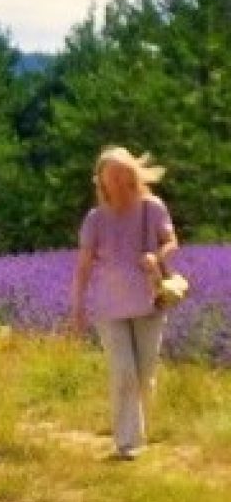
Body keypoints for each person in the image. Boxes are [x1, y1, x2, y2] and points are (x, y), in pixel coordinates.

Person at [69, 146, 179, 460]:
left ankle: (138, 429)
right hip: (109, 308)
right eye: (111, 174)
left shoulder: (152, 207)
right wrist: (77, 308)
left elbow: (172, 241)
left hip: (149, 303)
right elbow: (84, 267)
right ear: (101, 180)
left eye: (122, 171)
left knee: (144, 375)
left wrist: (156, 256)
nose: (117, 179)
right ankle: (127, 443)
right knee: (123, 373)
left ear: (132, 172)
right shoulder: (95, 219)